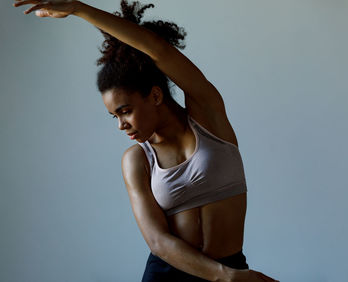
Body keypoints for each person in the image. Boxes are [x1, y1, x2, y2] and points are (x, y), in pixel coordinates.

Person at [13, 1, 280, 281]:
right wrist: (226, 276)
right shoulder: (137, 160)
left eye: (125, 111)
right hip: (173, 275)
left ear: (154, 96)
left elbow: (158, 50)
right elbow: (158, 241)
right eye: (113, 116)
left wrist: (79, 9)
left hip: (232, 270)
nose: (120, 125)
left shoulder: (209, 117)